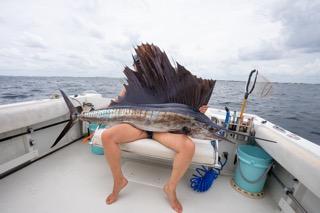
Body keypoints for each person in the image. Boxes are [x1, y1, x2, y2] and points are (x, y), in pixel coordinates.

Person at [101, 87, 208, 213]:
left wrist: (197, 112)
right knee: (107, 136)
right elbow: (117, 103)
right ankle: (119, 181)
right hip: (138, 126)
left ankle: (170, 188)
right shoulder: (132, 84)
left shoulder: (167, 82)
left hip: (163, 130)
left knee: (188, 147)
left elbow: (185, 111)